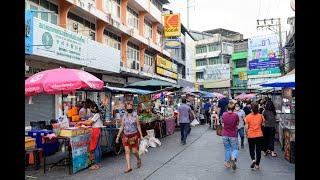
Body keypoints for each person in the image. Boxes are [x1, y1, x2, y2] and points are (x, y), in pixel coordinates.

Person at [116, 104, 143, 173]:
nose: (129, 109)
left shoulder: (135, 116)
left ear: (132, 108)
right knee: (127, 151)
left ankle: (138, 158)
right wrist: (118, 136)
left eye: (130, 108)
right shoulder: (124, 117)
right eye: (128, 108)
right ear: (126, 109)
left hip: (133, 136)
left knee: (134, 151)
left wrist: (141, 135)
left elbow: (138, 126)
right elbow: (122, 126)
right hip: (126, 136)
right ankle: (129, 167)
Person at [77, 103, 104, 170]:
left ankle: (96, 164)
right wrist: (83, 122)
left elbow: (89, 122)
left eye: (91, 108)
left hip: (96, 131)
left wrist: (81, 123)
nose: (90, 110)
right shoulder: (96, 114)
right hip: (97, 130)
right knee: (98, 147)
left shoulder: (97, 114)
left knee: (96, 148)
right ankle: (99, 163)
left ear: (94, 108)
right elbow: (89, 120)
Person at [245, 102, 265, 170]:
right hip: (259, 135)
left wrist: (246, 134)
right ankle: (257, 164)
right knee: (258, 150)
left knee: (251, 149)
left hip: (251, 135)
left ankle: (253, 159)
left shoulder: (248, 117)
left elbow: (246, 127)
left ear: (251, 108)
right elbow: (263, 124)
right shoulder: (261, 116)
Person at [221, 102, 239, 170]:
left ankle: (227, 163)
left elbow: (222, 123)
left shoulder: (224, 114)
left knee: (227, 149)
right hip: (233, 134)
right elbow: (237, 124)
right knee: (235, 149)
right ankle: (233, 157)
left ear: (227, 108)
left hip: (225, 134)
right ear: (234, 109)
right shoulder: (235, 115)